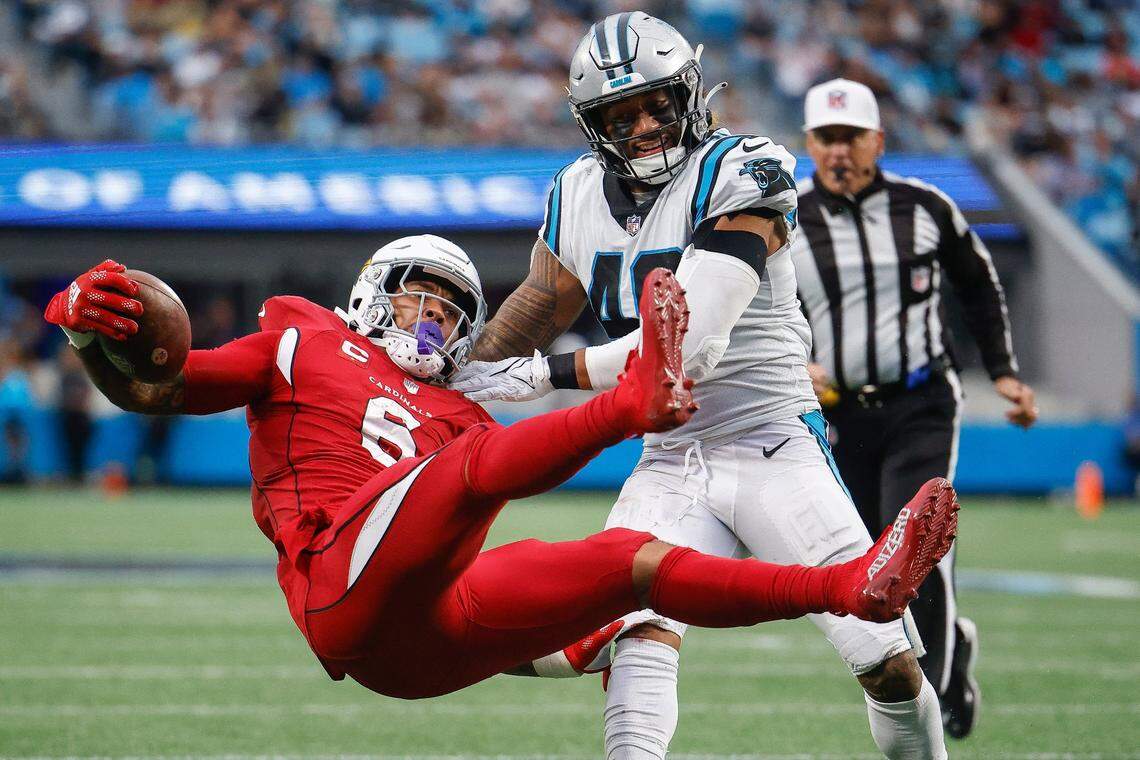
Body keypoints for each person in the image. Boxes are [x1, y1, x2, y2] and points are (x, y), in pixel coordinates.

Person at [41, 240, 958, 704]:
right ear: (372, 291)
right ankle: (639, 399)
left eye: (451, 310)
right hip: (335, 580)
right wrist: (92, 340)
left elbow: (475, 510)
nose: (434, 319)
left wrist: (560, 644)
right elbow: (158, 392)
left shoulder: (463, 410)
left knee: (628, 566)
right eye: (420, 297)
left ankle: (851, 588)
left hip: (421, 646)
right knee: (476, 467)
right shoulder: (299, 336)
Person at [451, 13, 948, 760]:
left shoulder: (741, 168)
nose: (646, 125)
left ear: (690, 94)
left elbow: (688, 349)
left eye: (657, 104)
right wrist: (451, 375)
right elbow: (540, 302)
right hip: (670, 460)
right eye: (623, 114)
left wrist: (529, 378)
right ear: (594, 125)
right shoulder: (577, 193)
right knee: (638, 631)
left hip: (773, 443)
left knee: (885, 660)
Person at [788, 77, 1039, 739]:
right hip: (840, 415)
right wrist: (793, 362)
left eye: (851, 137)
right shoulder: (784, 217)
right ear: (809, 143)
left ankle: (935, 707)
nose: (838, 150)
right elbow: (758, 306)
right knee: (873, 561)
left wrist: (1005, 373)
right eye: (826, 138)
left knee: (917, 549)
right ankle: (951, 656)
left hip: (922, 401)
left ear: (877, 139)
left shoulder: (924, 206)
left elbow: (979, 283)